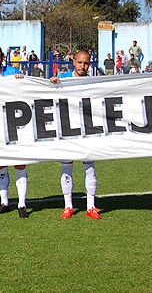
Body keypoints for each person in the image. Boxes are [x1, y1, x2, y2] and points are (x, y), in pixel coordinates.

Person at [50, 50, 101, 220]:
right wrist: (52, 83)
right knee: (67, 167)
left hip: (88, 130)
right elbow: (48, 90)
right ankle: (68, 206)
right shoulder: (64, 78)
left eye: (86, 63)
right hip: (67, 130)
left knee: (90, 168)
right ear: (74, 61)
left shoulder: (94, 81)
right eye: (80, 62)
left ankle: (91, 206)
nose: (83, 66)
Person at [0, 45, 29, 218]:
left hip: (15, 125)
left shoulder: (12, 73)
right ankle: (4, 202)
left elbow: (26, 89)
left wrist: (21, 80)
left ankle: (22, 204)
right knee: (0, 164)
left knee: (19, 163)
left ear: (2, 58)